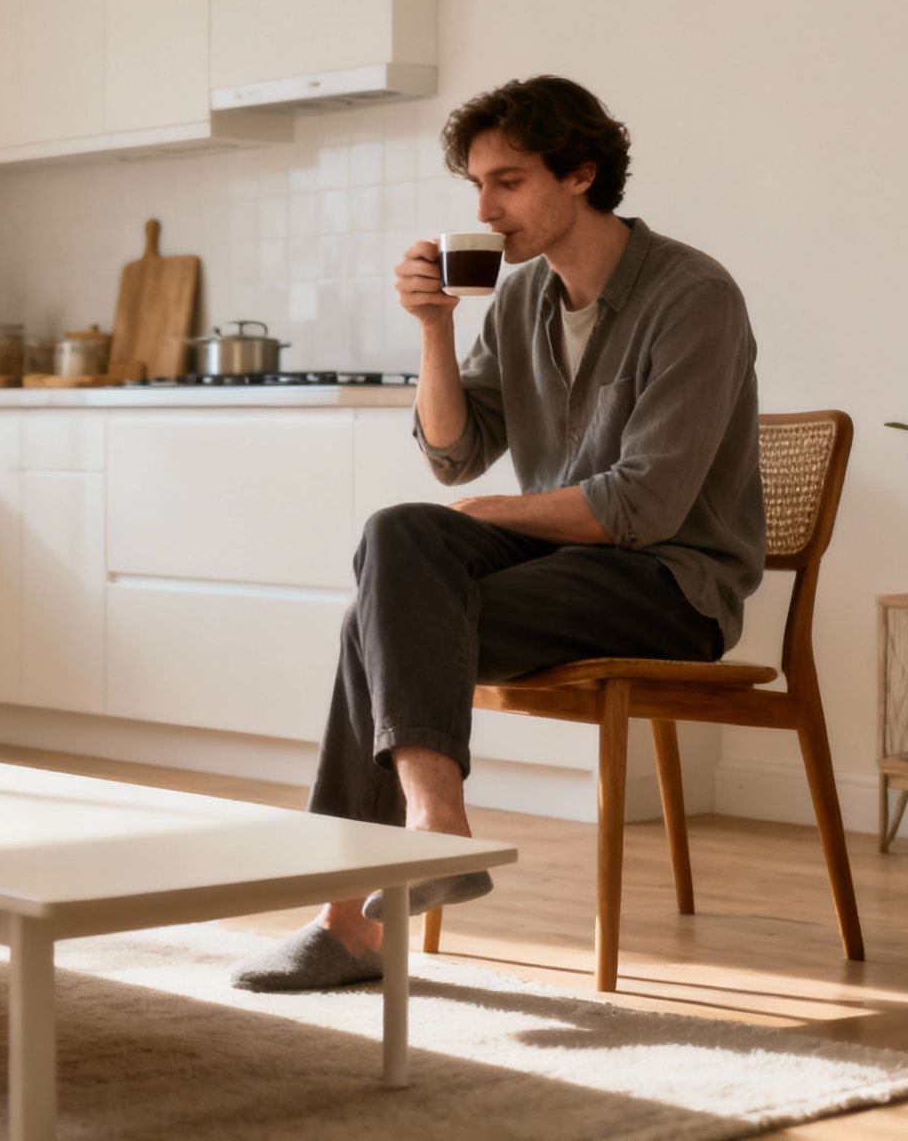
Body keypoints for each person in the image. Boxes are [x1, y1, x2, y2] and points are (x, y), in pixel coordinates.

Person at [231, 75, 764, 991]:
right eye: (477, 186)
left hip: (672, 587)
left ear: (580, 174)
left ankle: (347, 918)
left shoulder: (693, 295)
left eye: (508, 182)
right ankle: (434, 825)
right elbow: (455, 455)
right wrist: (435, 328)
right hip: (565, 566)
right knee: (398, 535)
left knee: (375, 624)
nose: (484, 210)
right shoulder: (520, 300)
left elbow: (643, 506)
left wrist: (484, 516)